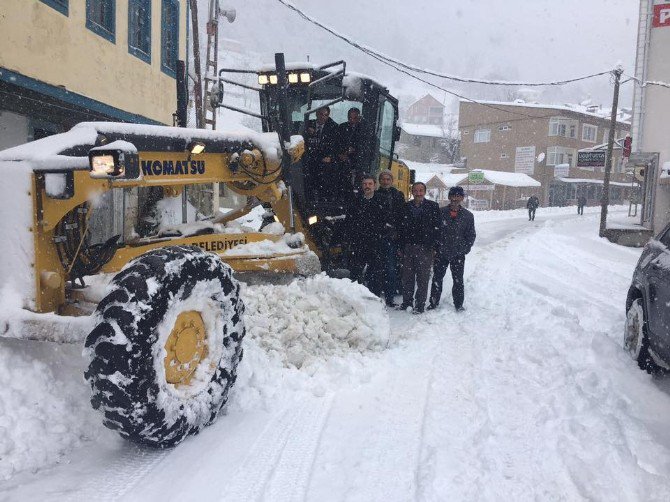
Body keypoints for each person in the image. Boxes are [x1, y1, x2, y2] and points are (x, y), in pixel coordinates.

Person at [428, 186, 476, 312]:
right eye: (453, 196)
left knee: (458, 280)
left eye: (458, 196)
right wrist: (436, 247)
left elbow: (471, 235)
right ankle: (433, 302)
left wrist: (465, 249)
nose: (455, 198)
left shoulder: (468, 216)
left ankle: (459, 304)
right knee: (437, 278)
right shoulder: (440, 212)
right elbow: (434, 231)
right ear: (449, 197)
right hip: (441, 252)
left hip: (458, 254)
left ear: (462, 198)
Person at [396, 182, 441, 314]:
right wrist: (400, 246)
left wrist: (435, 247)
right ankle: (406, 302)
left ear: (425, 192)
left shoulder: (433, 207)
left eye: (421, 190)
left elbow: (437, 228)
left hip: (425, 248)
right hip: (408, 247)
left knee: (423, 278)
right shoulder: (405, 207)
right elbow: (400, 228)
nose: (418, 193)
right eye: (415, 190)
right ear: (412, 192)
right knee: (407, 277)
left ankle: (419, 305)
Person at [344, 175, 386, 297]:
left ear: (375, 185)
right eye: (365, 184)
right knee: (356, 270)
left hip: (375, 242)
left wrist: (381, 234)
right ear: (362, 186)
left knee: (376, 272)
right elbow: (350, 220)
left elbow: (386, 219)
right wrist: (350, 237)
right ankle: (355, 296)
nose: (367, 186)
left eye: (370, 184)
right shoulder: (356, 200)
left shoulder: (381, 200)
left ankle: (374, 296)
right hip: (359, 242)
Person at [376, 169, 406, 306]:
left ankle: (390, 296)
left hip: (392, 237)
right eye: (383, 179)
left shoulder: (398, 195)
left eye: (388, 179)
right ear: (379, 180)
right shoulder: (375, 195)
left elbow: (401, 216)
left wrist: (396, 231)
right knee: (376, 267)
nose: (385, 181)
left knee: (391, 268)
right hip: (377, 236)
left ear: (392, 181)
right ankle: (375, 295)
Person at [303, 106, 339, 201]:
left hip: (324, 159)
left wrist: (330, 156)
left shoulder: (333, 127)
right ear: (316, 114)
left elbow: (335, 145)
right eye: (321, 114)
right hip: (308, 157)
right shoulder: (308, 124)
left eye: (325, 115)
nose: (323, 117)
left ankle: (323, 198)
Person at [337, 107, 374, 194]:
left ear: (359, 118)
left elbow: (366, 146)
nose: (352, 120)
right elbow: (336, 143)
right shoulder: (342, 127)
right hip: (342, 160)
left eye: (355, 118)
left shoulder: (365, 129)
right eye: (350, 118)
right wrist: (341, 153)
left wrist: (354, 150)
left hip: (359, 161)